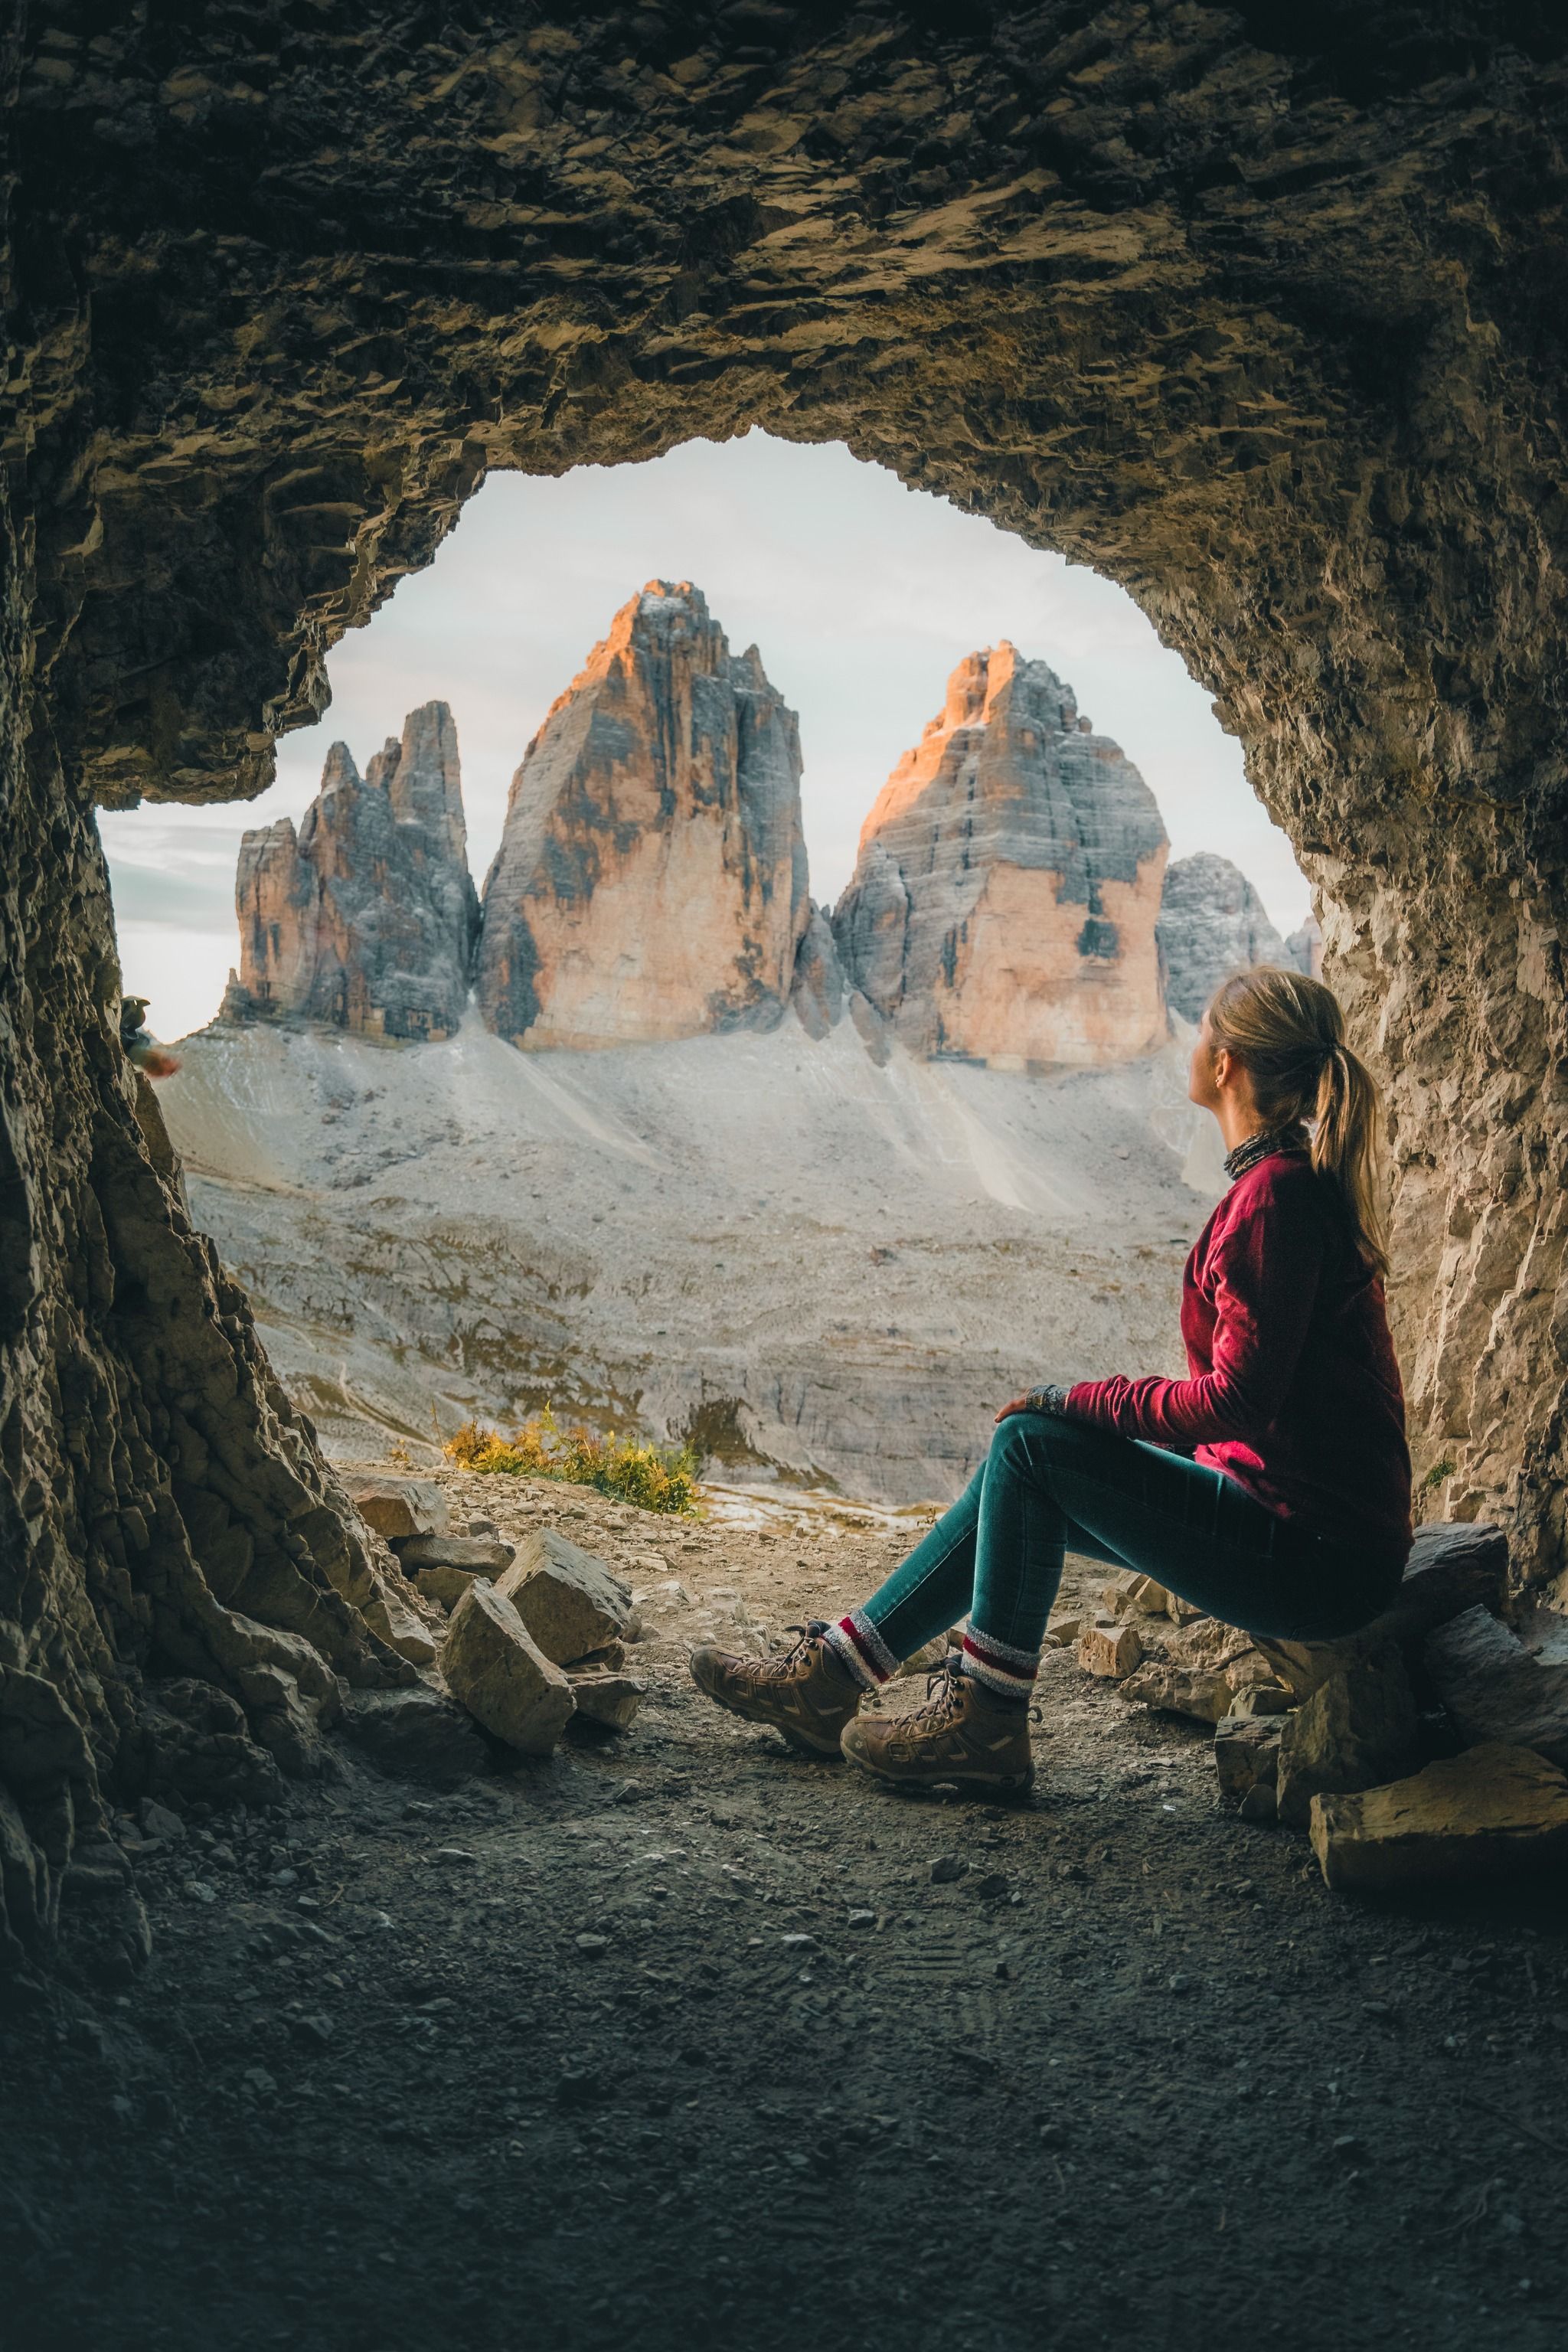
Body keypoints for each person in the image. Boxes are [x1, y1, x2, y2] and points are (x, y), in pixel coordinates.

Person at [689, 965, 1413, 1797]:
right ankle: (837, 1679)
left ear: (1225, 1064)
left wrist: (1079, 1401)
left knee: (1032, 1444)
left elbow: (1234, 1402)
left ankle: (984, 1721)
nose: (1193, 1040)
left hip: (1314, 1563)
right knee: (1021, 1463)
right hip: (1304, 1535)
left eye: (1204, 1029)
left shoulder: (1273, 1201)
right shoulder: (1284, 1186)